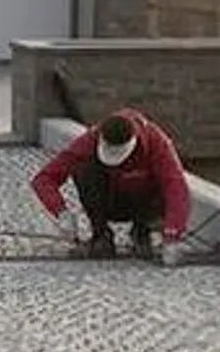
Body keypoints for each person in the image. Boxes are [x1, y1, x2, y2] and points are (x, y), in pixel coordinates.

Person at [32, 109, 190, 260]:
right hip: (108, 202)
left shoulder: (156, 142)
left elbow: (177, 186)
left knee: (165, 180)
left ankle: (142, 232)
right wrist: (61, 212)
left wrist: (173, 234)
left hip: (145, 204)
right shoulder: (89, 140)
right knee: (83, 169)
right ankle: (101, 235)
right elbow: (44, 178)